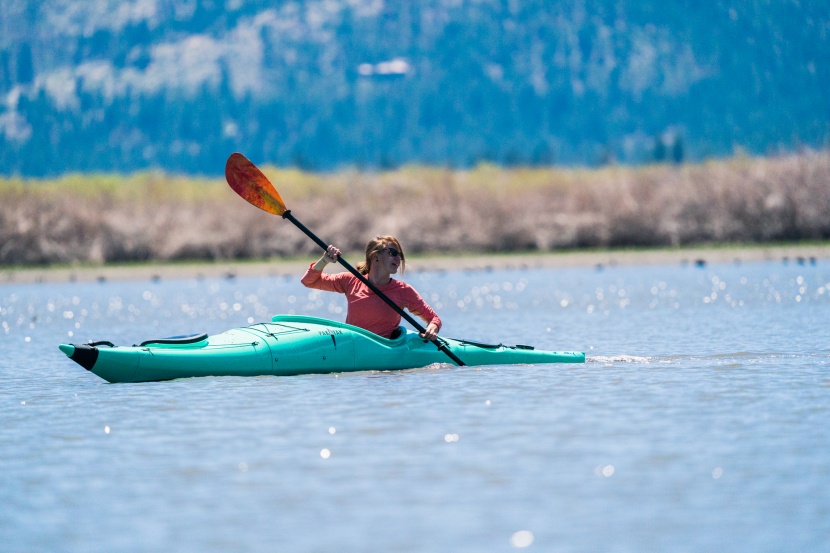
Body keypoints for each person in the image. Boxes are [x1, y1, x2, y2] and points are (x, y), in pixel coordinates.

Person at [300, 235, 441, 340]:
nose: (398, 258)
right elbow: (308, 281)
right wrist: (324, 260)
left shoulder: (404, 291)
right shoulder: (350, 281)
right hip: (352, 344)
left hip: (384, 349)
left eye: (400, 255)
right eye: (393, 253)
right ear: (376, 256)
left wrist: (432, 329)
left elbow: (434, 319)